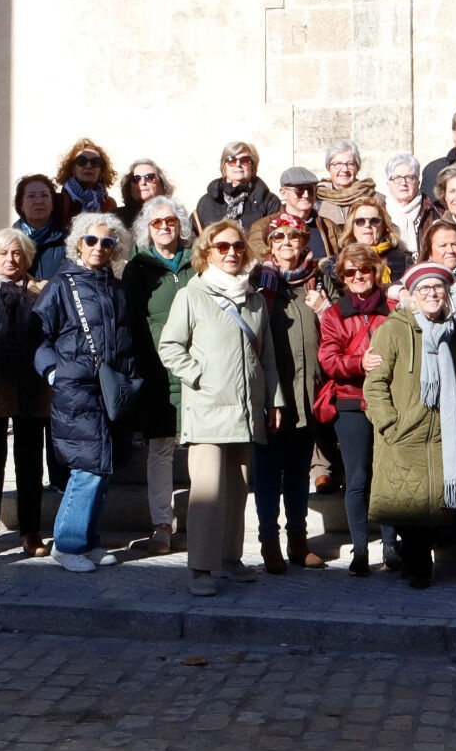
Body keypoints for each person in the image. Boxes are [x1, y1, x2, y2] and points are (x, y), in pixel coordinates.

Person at [157, 221, 284, 596]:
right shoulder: (192, 295)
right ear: (206, 252)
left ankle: (228, 559)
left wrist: (274, 400)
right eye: (222, 246)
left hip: (245, 410)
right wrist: (201, 376)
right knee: (207, 491)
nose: (231, 252)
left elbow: (268, 357)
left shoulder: (255, 298)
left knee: (236, 489)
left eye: (238, 246)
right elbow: (170, 346)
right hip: (209, 408)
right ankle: (200, 566)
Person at [362, 261, 456, 589]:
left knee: (431, 506)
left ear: (446, 294)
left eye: (438, 288)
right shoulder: (394, 329)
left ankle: (414, 563)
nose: (432, 293)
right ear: (411, 295)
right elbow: (375, 383)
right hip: (404, 433)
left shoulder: (453, 331)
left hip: (443, 433)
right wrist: (389, 423)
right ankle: (419, 566)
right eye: (424, 288)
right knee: (408, 507)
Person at [33, 212, 135, 574]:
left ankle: (89, 540)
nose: (99, 248)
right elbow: (38, 334)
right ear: (78, 243)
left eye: (107, 242)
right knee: (87, 469)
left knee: (102, 467)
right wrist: (52, 371)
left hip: (108, 390)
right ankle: (67, 543)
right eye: (91, 240)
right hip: (75, 387)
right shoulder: (63, 284)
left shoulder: (115, 287)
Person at [253, 213, 328, 572]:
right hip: (272, 397)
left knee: (299, 473)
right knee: (269, 474)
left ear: (304, 242)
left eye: (294, 237)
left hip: (307, 396)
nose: (287, 244)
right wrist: (269, 397)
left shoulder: (315, 284)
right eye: (279, 237)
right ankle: (269, 541)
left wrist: (323, 308)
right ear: (270, 244)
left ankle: (298, 540)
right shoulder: (260, 285)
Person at [122, 196, 196, 556]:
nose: (165, 227)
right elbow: (134, 323)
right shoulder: (137, 269)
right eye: (157, 223)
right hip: (157, 370)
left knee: (201, 448)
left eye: (171, 221)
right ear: (146, 230)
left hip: (198, 370)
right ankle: (161, 524)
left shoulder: (197, 263)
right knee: (161, 449)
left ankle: (203, 520)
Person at [0, 227, 52, 559]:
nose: (11, 259)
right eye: (4, 253)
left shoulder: (41, 290)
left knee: (31, 463)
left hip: (32, 386)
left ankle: (31, 532)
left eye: (17, 253)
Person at [318, 242, 397, 575]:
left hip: (388, 402)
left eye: (364, 269)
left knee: (388, 477)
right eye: (350, 272)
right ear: (342, 278)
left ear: (375, 271)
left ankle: (392, 547)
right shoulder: (335, 315)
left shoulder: (392, 310)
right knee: (358, 477)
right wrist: (358, 362)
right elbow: (328, 359)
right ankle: (361, 549)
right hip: (350, 401)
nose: (358, 276)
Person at [247, 167, 342, 262]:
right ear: (283, 193)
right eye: (299, 190)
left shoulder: (329, 227)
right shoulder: (263, 227)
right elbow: (260, 262)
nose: (306, 195)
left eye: (310, 190)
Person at [192, 141, 281, 234]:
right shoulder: (207, 201)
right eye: (231, 160)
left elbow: (274, 238)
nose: (238, 164)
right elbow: (194, 238)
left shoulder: (268, 201)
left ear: (253, 167)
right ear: (224, 167)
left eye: (245, 160)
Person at [327, 199, 411, 293]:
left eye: (374, 221)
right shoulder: (334, 264)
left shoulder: (403, 261)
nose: (367, 225)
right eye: (360, 221)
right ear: (352, 228)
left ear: (384, 226)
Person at [12, 173, 69, 281]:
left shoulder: (68, 241)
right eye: (31, 196)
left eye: (44, 195)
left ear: (52, 204)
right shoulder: (8, 242)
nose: (38, 201)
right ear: (21, 205)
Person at [316, 139, 385, 228]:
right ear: (329, 167)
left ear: (357, 167)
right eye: (338, 164)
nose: (344, 170)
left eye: (350, 164)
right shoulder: (317, 199)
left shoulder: (375, 198)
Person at [52, 138, 119, 224]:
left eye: (95, 162)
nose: (88, 166)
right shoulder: (58, 202)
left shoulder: (109, 204)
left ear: (101, 170)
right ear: (72, 168)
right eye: (81, 161)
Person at [383, 153, 436, 256]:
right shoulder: (379, 214)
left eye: (410, 177)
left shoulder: (434, 213)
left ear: (418, 183)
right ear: (388, 184)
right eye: (396, 178)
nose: (403, 183)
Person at [116, 158, 174, 229]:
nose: (143, 182)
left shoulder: (173, 216)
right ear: (129, 186)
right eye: (136, 178)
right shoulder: (116, 219)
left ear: (161, 184)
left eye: (150, 177)